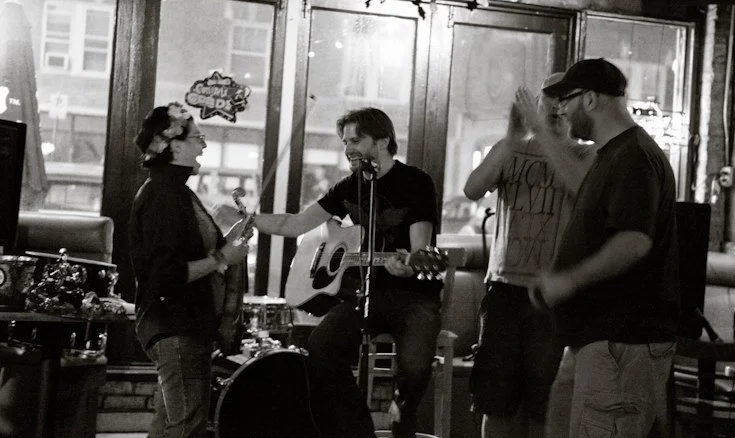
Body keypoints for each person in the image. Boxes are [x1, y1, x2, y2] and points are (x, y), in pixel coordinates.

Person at [252, 107, 440, 438]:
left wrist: (408, 266)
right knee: (321, 346)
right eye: (345, 141)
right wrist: (250, 220)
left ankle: (402, 421)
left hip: (414, 297)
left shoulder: (416, 182)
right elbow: (296, 223)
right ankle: (357, 431)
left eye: (356, 140)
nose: (348, 148)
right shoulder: (348, 187)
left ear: (382, 141)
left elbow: (420, 249)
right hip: (366, 294)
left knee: (414, 365)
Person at [536, 58, 679, 438]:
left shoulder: (633, 157)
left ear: (592, 99)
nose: (560, 109)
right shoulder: (612, 154)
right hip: (598, 337)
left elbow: (634, 242)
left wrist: (569, 281)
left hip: (623, 339)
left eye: (566, 99)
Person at [464, 73, 594, 438]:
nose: (555, 107)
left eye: (564, 99)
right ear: (534, 102)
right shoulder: (510, 149)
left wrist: (544, 133)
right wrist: (511, 138)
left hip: (552, 295)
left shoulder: (587, 152)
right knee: (496, 402)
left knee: (545, 406)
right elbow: (473, 188)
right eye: (548, 98)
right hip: (504, 289)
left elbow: (583, 187)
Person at [129, 102, 250, 438]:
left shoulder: (176, 193)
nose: (204, 145)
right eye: (198, 137)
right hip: (175, 323)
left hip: (184, 325)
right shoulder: (163, 196)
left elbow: (193, 253)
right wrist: (223, 258)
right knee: (187, 428)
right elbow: (165, 274)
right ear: (175, 145)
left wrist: (229, 243)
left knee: (170, 426)